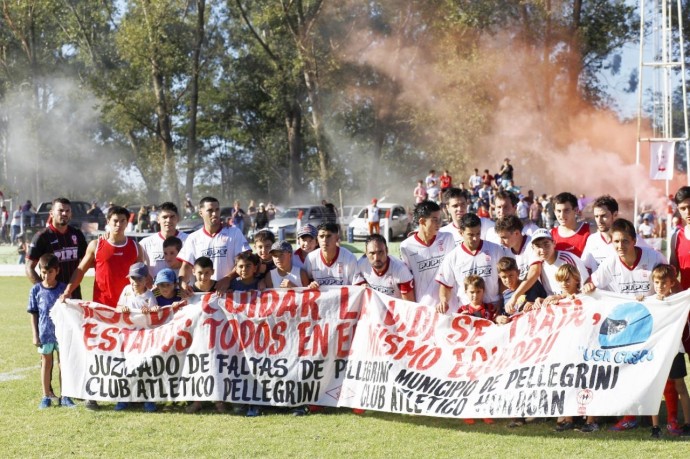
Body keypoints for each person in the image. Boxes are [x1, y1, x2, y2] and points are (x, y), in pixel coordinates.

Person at [61, 206, 148, 308]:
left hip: (128, 308)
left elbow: (143, 277)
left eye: (122, 221)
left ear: (127, 222)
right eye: (115, 221)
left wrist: (158, 294)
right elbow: (80, 271)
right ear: (108, 222)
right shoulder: (96, 245)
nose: (118, 224)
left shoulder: (136, 247)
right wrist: (67, 291)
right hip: (102, 306)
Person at [28, 253, 75, 409]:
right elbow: (33, 313)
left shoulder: (63, 289)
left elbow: (71, 312)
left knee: (63, 364)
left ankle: (65, 396)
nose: (46, 275)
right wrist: (35, 335)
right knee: (46, 364)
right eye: (43, 272)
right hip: (45, 335)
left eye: (50, 272)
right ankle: (45, 395)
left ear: (57, 271)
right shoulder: (36, 290)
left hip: (62, 334)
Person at [436, 213, 507, 314]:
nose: (475, 238)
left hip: (494, 309)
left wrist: (501, 301)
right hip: (467, 312)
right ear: (461, 232)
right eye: (470, 235)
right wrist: (443, 301)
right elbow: (446, 285)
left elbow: (504, 279)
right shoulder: (452, 257)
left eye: (478, 233)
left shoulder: (495, 249)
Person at [648, 264, 690, 438]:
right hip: (655, 352)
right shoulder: (649, 301)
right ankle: (655, 426)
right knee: (654, 388)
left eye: (664, 282)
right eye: (657, 282)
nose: (660, 286)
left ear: (672, 282)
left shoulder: (679, 300)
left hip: (675, 351)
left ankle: (687, 423)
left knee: (680, 385)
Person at [178, 196, 251, 295]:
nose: (215, 214)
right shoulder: (193, 238)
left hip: (230, 292)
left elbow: (246, 259)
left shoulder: (234, 232)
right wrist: (182, 282)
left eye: (217, 210)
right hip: (204, 295)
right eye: (210, 210)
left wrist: (228, 278)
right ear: (201, 213)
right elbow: (186, 266)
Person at [114, 262, 158, 413]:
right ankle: (125, 397)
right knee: (127, 367)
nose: (135, 282)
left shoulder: (149, 295)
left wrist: (150, 311)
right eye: (132, 278)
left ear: (146, 280)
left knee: (145, 367)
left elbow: (155, 313)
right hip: (128, 336)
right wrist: (122, 309)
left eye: (138, 279)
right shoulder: (126, 290)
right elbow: (118, 307)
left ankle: (148, 398)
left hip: (144, 337)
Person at [583, 218, 666, 299]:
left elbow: (672, 283)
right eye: (616, 241)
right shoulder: (609, 264)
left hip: (651, 311)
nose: (620, 246)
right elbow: (591, 283)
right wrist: (588, 286)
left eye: (625, 241)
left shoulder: (655, 257)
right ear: (612, 242)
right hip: (623, 311)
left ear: (634, 241)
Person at [26, 198, 88, 298]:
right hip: (51, 296)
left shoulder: (77, 234)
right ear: (51, 213)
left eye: (67, 211)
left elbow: (88, 260)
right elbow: (29, 267)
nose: (64, 213)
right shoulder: (42, 236)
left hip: (74, 293)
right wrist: (43, 288)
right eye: (60, 210)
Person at [400, 200, 455, 307]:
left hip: (449, 306)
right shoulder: (406, 246)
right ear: (422, 221)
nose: (439, 223)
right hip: (425, 309)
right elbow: (407, 281)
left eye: (440, 219)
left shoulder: (448, 238)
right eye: (435, 220)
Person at [581, 195, 651, 273]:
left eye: (603, 216)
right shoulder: (592, 240)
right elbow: (585, 267)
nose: (599, 221)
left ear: (615, 214)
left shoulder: (632, 238)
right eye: (596, 216)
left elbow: (651, 260)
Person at [529, 228, 588, 300]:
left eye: (546, 244)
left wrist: (559, 297)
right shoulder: (538, 266)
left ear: (554, 243)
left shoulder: (567, 258)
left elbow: (585, 286)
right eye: (538, 246)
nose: (543, 250)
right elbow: (550, 295)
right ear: (533, 248)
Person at [356, 234, 415, 301]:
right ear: (366, 253)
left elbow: (409, 304)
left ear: (387, 251)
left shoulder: (401, 270)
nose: (376, 258)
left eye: (380, 252)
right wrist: (361, 286)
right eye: (372, 253)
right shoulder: (360, 265)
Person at [304, 222, 362, 288]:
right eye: (321, 236)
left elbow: (357, 287)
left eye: (328, 236)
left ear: (337, 238)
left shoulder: (349, 258)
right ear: (317, 239)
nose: (324, 240)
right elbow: (304, 284)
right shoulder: (311, 258)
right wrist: (310, 284)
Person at [139, 202, 189, 278]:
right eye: (165, 217)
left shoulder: (189, 240)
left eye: (172, 217)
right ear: (158, 219)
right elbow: (137, 268)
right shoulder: (145, 243)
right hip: (156, 289)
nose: (168, 220)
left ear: (178, 218)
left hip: (182, 289)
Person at [550, 192, 590, 258]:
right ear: (554, 212)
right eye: (558, 211)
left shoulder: (589, 231)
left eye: (566, 210)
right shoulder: (550, 235)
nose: (562, 216)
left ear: (576, 210)